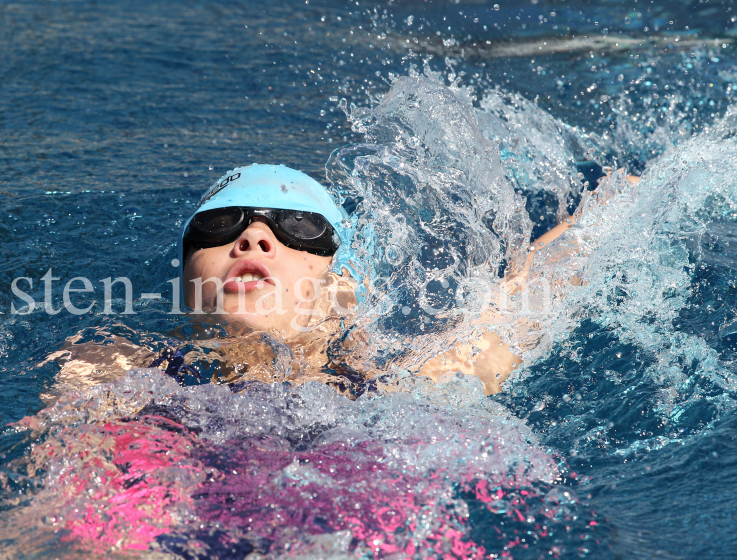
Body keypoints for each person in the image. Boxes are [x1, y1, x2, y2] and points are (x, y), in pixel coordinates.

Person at [46, 163, 638, 396]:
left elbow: (536, 287)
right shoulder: (112, 370)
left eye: (300, 230)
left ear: (343, 289)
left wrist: (636, 192)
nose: (253, 238)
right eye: (221, 225)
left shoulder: (410, 382)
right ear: (184, 285)